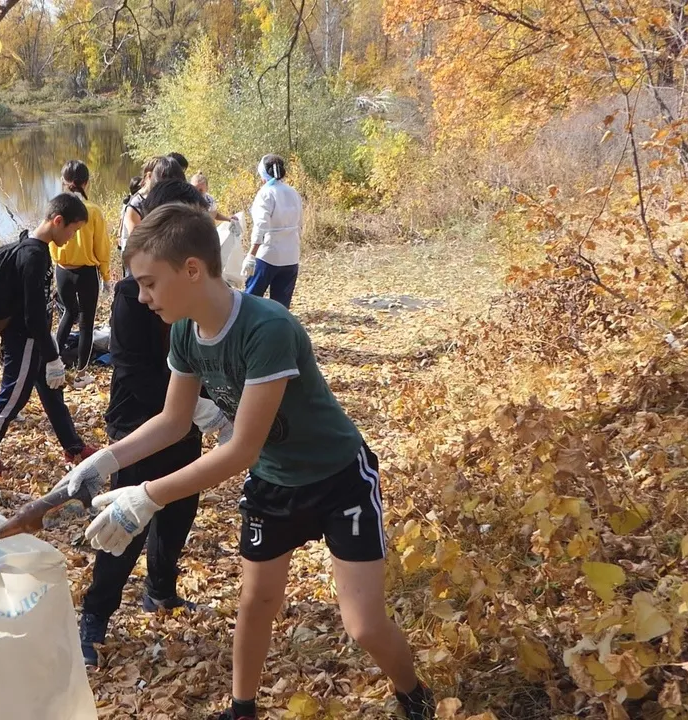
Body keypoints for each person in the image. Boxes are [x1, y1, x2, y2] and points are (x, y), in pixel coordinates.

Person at [58, 204, 435, 720]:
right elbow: (173, 421)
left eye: (148, 284)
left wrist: (146, 497)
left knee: (363, 626)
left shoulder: (267, 328)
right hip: (275, 486)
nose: (141, 298)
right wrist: (104, 460)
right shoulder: (186, 332)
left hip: (338, 480)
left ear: (192, 270)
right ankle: (242, 710)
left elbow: (241, 449)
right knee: (255, 603)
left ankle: (413, 692)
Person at [77, 183, 233, 668]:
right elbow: (135, 368)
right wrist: (189, 410)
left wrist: (205, 408)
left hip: (181, 419)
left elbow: (200, 361)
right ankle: (95, 617)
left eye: (151, 283)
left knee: (179, 508)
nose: (146, 295)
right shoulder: (131, 297)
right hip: (138, 421)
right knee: (126, 524)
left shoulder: (195, 304)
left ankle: (160, 590)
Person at [0, 194, 97, 477]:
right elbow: (33, 315)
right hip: (24, 339)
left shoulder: (34, 247)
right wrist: (52, 357)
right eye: (73, 231)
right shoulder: (35, 255)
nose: (73, 237)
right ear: (58, 221)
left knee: (53, 393)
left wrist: (50, 353)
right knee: (13, 396)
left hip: (36, 338)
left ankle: (73, 447)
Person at [52, 160, 111, 371]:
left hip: (62, 270)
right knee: (87, 321)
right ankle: (81, 371)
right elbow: (101, 247)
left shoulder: (56, 206)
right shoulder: (92, 211)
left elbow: (50, 241)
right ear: (86, 183)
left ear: (63, 181)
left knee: (68, 313)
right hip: (86, 272)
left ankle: (54, 361)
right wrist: (106, 276)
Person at [242, 155, 303, 309]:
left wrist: (251, 255)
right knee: (280, 307)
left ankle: (248, 331)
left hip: (268, 255)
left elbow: (261, 225)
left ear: (263, 174)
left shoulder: (266, 193)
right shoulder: (293, 192)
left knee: (250, 302)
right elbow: (299, 222)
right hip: (291, 256)